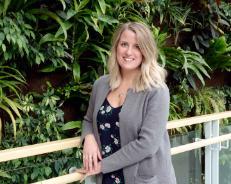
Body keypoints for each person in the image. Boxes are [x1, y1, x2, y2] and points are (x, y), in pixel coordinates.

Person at [79, 22, 177, 184]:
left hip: (142, 179)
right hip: (106, 178)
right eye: (124, 44)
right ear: (116, 47)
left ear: (146, 51)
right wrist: (88, 138)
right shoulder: (101, 84)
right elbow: (89, 120)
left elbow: (147, 144)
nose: (129, 52)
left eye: (137, 46)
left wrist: (103, 165)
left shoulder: (157, 91)